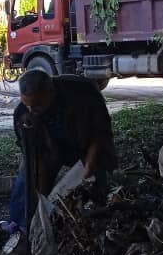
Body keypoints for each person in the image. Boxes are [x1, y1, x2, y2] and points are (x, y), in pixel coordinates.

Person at [7, 69, 117, 233]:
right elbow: (36, 158)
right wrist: (42, 200)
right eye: (27, 105)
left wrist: (89, 166)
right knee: (28, 177)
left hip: (83, 141)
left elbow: (100, 132)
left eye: (37, 105)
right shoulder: (23, 114)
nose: (31, 110)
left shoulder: (83, 94)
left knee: (98, 177)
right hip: (50, 147)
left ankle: (98, 218)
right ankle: (22, 227)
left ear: (51, 92)